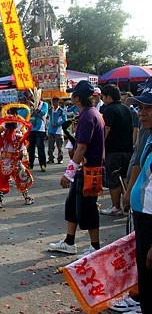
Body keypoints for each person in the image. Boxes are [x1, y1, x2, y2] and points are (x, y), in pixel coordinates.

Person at [49, 81, 105, 255]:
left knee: (87, 208)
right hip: (85, 169)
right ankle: (69, 241)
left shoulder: (88, 116)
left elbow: (81, 147)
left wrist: (68, 174)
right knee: (72, 205)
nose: (70, 97)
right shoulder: (90, 113)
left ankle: (95, 246)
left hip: (89, 170)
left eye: (72, 94)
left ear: (77, 98)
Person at [122, 85, 152, 314]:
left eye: (148, 108)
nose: (141, 113)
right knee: (145, 272)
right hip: (144, 216)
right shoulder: (150, 137)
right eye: (140, 107)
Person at [0, 110, 34, 209]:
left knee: (1, 181)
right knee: (21, 180)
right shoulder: (18, 136)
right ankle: (27, 198)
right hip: (15, 162)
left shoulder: (2, 136)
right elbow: (22, 151)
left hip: (4, 162)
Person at [100, 84, 133, 216]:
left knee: (113, 179)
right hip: (128, 149)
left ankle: (116, 207)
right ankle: (127, 205)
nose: (102, 99)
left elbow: (106, 130)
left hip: (113, 150)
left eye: (103, 96)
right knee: (125, 177)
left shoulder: (109, 110)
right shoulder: (127, 109)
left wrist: (100, 146)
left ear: (109, 97)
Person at [27, 96, 49, 172]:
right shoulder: (30, 106)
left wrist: (35, 107)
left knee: (40, 148)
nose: (33, 100)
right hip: (31, 129)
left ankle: (43, 165)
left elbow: (43, 112)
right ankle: (30, 165)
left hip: (40, 129)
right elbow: (28, 115)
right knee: (31, 148)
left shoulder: (44, 104)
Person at [47, 97, 66, 164]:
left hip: (58, 131)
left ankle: (60, 159)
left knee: (59, 147)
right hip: (50, 130)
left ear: (58, 102)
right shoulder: (49, 110)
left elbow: (64, 120)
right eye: (53, 101)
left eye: (55, 101)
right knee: (50, 146)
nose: (54, 103)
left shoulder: (62, 110)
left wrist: (58, 124)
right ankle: (51, 159)